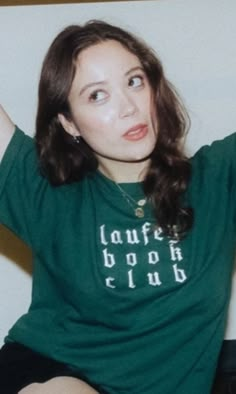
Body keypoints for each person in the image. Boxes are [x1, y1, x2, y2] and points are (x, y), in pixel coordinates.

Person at [0, 19, 235, 394]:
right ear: (69, 122)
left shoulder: (218, 179)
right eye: (97, 95)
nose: (128, 107)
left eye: (134, 81)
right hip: (53, 372)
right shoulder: (46, 191)